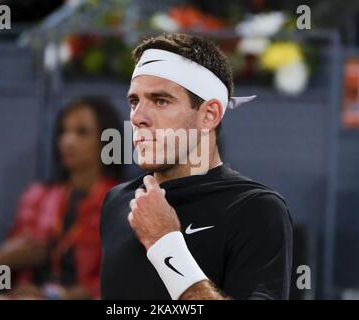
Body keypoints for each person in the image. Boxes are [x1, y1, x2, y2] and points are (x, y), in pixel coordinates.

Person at [100, 33, 293, 300]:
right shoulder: (116, 201)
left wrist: (165, 245)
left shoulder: (257, 209)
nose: (138, 117)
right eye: (134, 101)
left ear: (209, 115)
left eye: (160, 101)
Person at [0, 96, 122, 300]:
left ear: (107, 140)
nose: (67, 141)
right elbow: (3, 284)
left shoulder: (122, 202)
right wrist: (2, 264)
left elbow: (122, 280)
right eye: (63, 131)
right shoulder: (36, 198)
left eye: (82, 132)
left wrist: (57, 296)